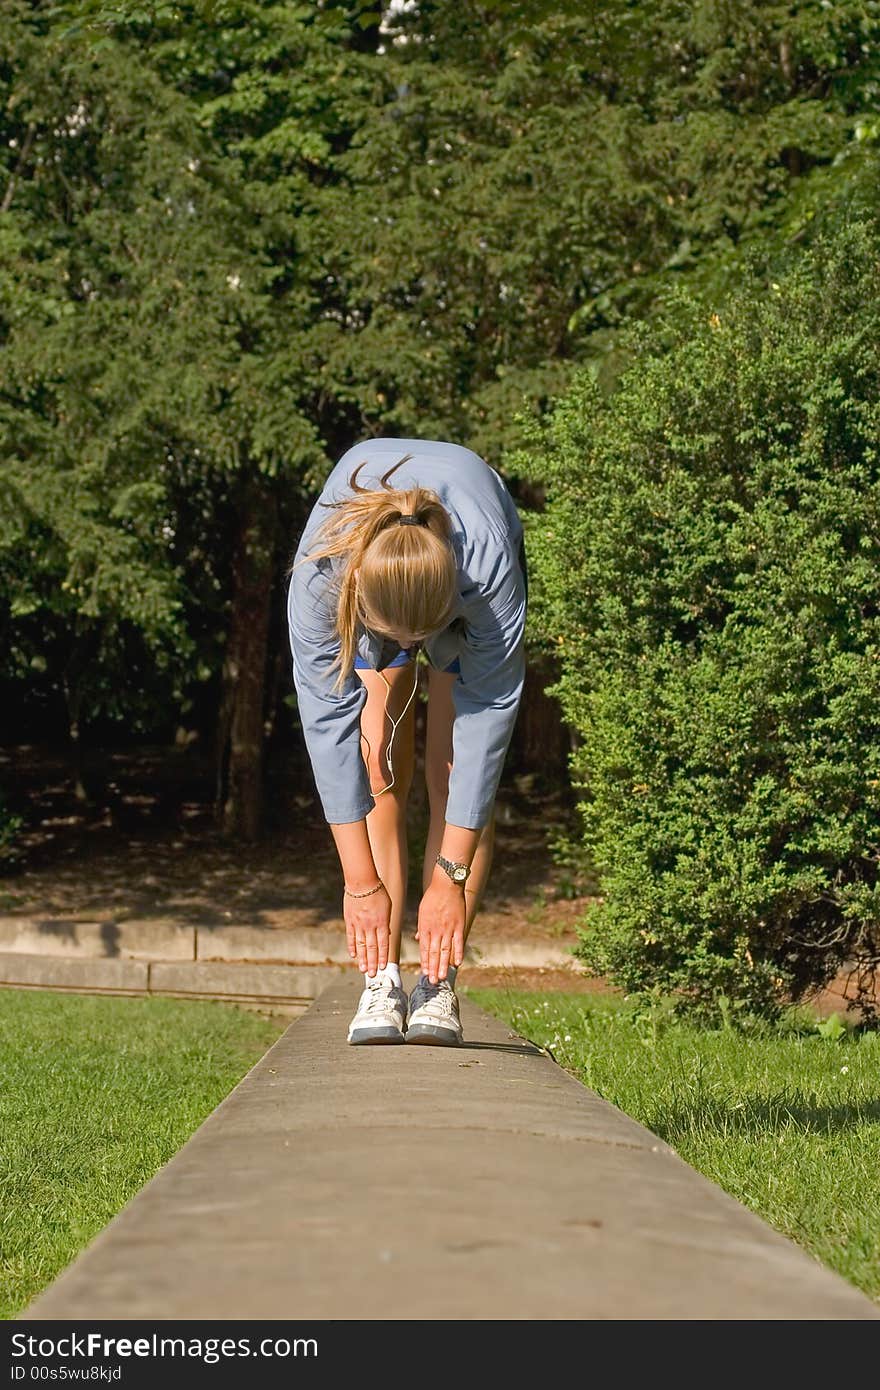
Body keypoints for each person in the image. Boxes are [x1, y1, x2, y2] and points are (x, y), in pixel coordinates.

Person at [286, 437, 527, 1046]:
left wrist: (450, 877)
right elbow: (327, 726)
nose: (414, 655)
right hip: (362, 574)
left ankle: (437, 985)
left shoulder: (487, 566)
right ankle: (382, 980)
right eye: (400, 641)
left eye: (421, 641)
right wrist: (359, 884)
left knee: (452, 768)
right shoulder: (321, 575)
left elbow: (489, 719)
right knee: (375, 758)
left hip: (469, 547)